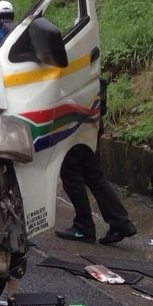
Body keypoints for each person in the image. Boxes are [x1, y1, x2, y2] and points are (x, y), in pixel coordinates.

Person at [56, 80, 138, 245]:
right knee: (92, 174)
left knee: (70, 174)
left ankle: (84, 226)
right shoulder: (87, 58)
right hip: (92, 116)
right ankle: (121, 222)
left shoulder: (66, 59)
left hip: (74, 118)